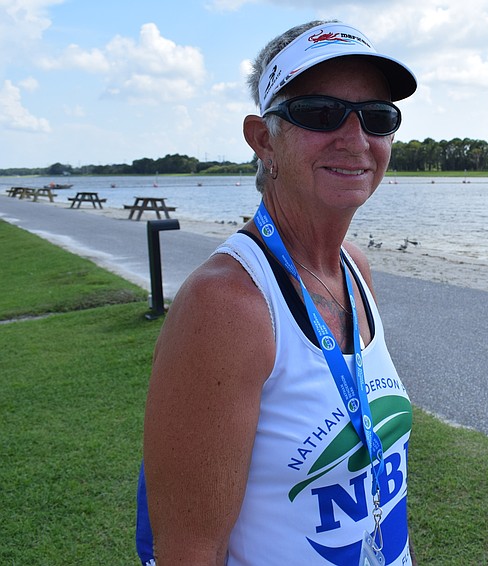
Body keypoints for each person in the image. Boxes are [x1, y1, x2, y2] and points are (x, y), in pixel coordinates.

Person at [136, 19, 417, 565]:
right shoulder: (228, 305)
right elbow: (189, 552)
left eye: (377, 118)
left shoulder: (354, 268)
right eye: (319, 113)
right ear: (263, 138)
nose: (355, 139)